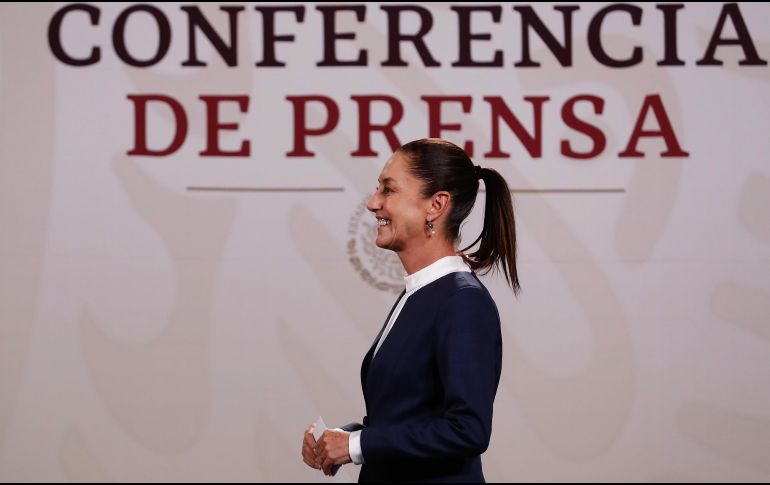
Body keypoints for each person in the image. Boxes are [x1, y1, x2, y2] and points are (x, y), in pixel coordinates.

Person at [301, 138, 520, 482]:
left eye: (388, 190)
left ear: (436, 205)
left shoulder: (463, 302)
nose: (373, 203)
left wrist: (359, 444)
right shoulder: (420, 294)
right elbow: (407, 418)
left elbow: (468, 430)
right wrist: (345, 440)